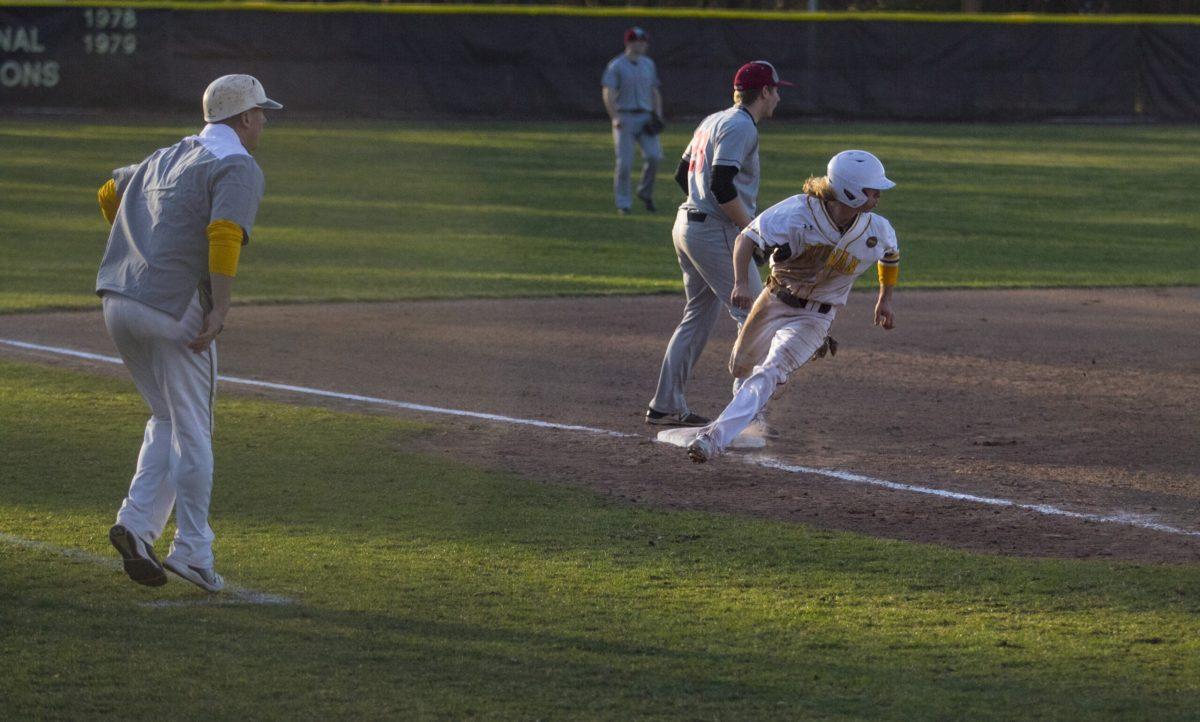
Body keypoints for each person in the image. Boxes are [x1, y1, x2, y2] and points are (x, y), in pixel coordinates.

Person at [96, 74, 281, 592]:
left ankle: (136, 524)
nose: (264, 120)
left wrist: (141, 247)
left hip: (119, 300)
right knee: (194, 427)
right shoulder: (237, 164)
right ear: (243, 118)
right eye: (261, 112)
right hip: (172, 308)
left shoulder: (167, 154)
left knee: (166, 416)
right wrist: (219, 307)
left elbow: (109, 190)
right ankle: (194, 551)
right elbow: (224, 232)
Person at [685, 150, 901, 463]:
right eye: (872, 189)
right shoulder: (797, 212)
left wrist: (886, 298)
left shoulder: (876, 229)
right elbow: (746, 239)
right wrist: (741, 283)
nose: (878, 195)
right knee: (741, 368)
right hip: (774, 299)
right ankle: (761, 395)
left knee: (770, 370)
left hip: (817, 316)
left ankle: (713, 438)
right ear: (850, 190)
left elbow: (890, 255)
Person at [645, 60, 793, 427]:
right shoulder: (741, 126)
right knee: (756, 318)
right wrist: (755, 233)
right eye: (776, 90)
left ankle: (665, 404)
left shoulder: (713, 120)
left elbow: (683, 174)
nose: (778, 98)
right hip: (715, 231)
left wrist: (708, 213)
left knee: (697, 317)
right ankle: (748, 418)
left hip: (688, 226)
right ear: (764, 92)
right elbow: (722, 184)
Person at [601, 26, 664, 215]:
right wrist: (614, 117)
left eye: (644, 41)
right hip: (625, 117)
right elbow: (608, 92)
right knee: (625, 163)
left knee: (654, 156)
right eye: (638, 40)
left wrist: (658, 114)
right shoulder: (616, 65)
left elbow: (654, 90)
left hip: (645, 117)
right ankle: (623, 203)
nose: (642, 44)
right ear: (629, 42)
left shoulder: (648, 64)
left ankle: (644, 192)